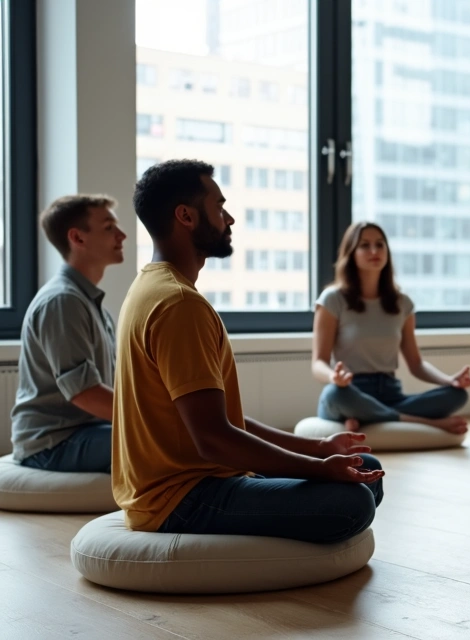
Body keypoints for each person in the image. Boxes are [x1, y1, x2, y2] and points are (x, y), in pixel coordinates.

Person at [113, 159, 383, 543]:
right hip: (181, 500)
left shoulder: (151, 288)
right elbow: (215, 438)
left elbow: (223, 419)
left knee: (364, 469)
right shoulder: (178, 305)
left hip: (192, 483)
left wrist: (318, 448)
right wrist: (319, 469)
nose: (229, 218)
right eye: (219, 207)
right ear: (186, 216)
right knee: (353, 502)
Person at [313, 222, 470, 434]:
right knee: (333, 395)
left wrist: (450, 380)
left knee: (457, 395)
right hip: (350, 392)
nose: (374, 251)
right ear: (351, 253)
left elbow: (416, 364)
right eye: (364, 245)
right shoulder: (333, 299)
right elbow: (318, 363)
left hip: (390, 392)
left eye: (380, 245)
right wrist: (334, 378)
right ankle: (424, 422)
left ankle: (368, 417)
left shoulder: (402, 303)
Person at [10, 195, 126, 472]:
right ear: (78, 238)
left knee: (188, 436)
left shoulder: (88, 302)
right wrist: (160, 420)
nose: (122, 235)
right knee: (176, 439)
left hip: (87, 431)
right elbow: (85, 394)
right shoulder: (63, 301)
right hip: (53, 444)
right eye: (109, 227)